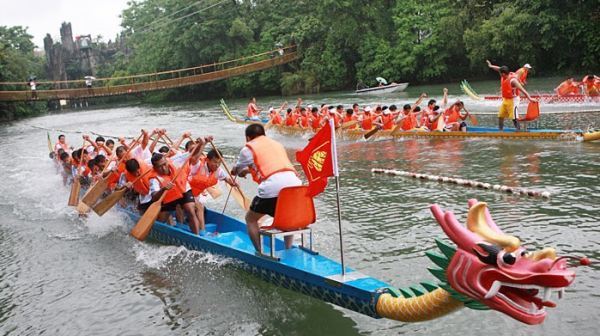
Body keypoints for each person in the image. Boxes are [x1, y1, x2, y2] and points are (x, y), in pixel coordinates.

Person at [231, 124, 301, 251]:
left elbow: (238, 170)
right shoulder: (277, 144)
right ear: (264, 134)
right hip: (296, 184)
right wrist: (246, 171)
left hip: (273, 186)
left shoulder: (248, 149)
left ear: (248, 138)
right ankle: (289, 249)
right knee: (286, 219)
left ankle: (259, 252)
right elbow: (266, 166)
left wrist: (235, 171)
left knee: (250, 219)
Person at [147, 152, 202, 235]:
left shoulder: (175, 161)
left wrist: (202, 143)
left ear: (166, 161)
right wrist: (163, 189)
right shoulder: (154, 179)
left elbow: (194, 153)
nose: (164, 168)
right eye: (160, 166)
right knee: (161, 220)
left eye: (164, 164)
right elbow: (154, 197)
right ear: (154, 168)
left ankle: (197, 237)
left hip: (183, 190)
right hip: (168, 197)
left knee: (190, 210)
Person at [486, 60, 537, 131]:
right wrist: (490, 66)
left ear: (503, 74)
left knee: (514, 117)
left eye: (500, 73)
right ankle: (500, 132)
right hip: (506, 99)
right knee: (500, 116)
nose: (499, 74)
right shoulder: (503, 73)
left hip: (514, 100)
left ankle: (518, 131)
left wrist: (530, 98)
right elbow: (498, 68)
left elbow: (522, 90)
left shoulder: (513, 81)